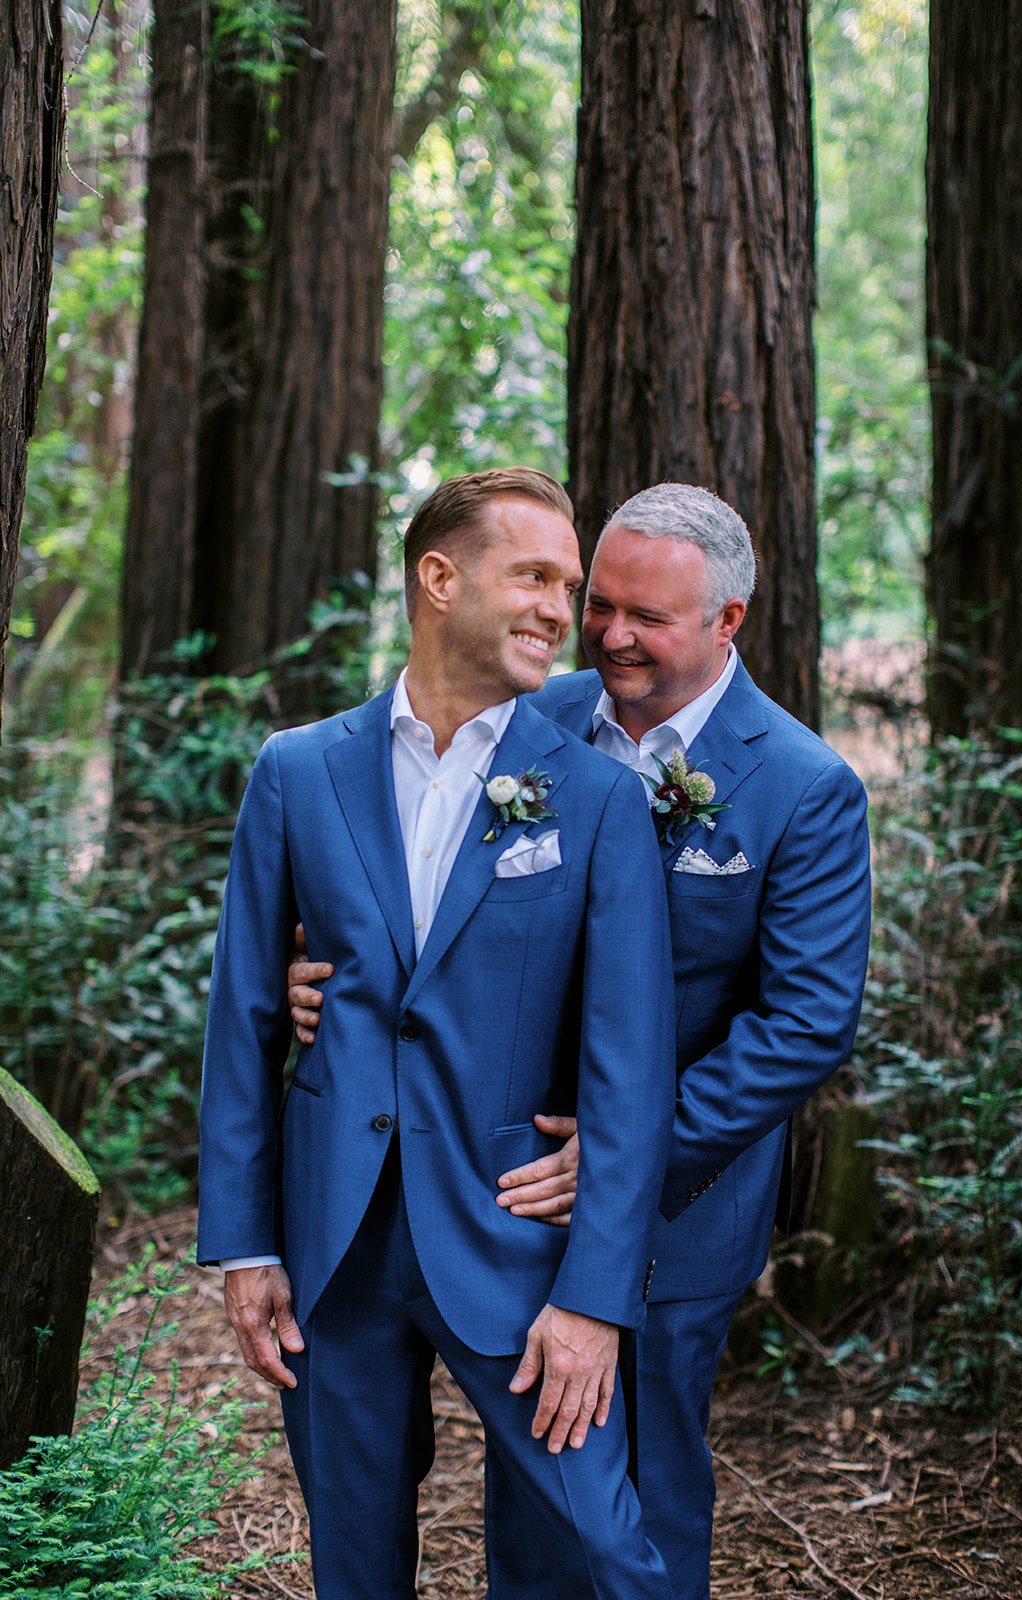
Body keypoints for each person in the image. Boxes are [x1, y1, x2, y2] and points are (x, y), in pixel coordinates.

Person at [288, 482, 872, 1600]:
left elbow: (803, 1022)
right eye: (597, 603)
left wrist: (621, 1155)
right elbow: (390, 875)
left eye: (645, 617)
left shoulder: (803, 787)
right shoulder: (525, 716)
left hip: (667, 1205)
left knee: (630, 1504)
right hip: (486, 1174)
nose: (607, 633)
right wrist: (311, 976)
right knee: (538, 1489)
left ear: (726, 622)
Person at [197, 468, 679, 1600]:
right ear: (437, 576)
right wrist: (247, 1245)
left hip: (515, 1243)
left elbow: (628, 1062)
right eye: (535, 576)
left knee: (604, 1551)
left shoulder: (597, 798)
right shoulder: (297, 771)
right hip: (334, 1244)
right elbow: (245, 1018)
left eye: (567, 584)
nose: (561, 612)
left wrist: (596, 1295)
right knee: (354, 1566)